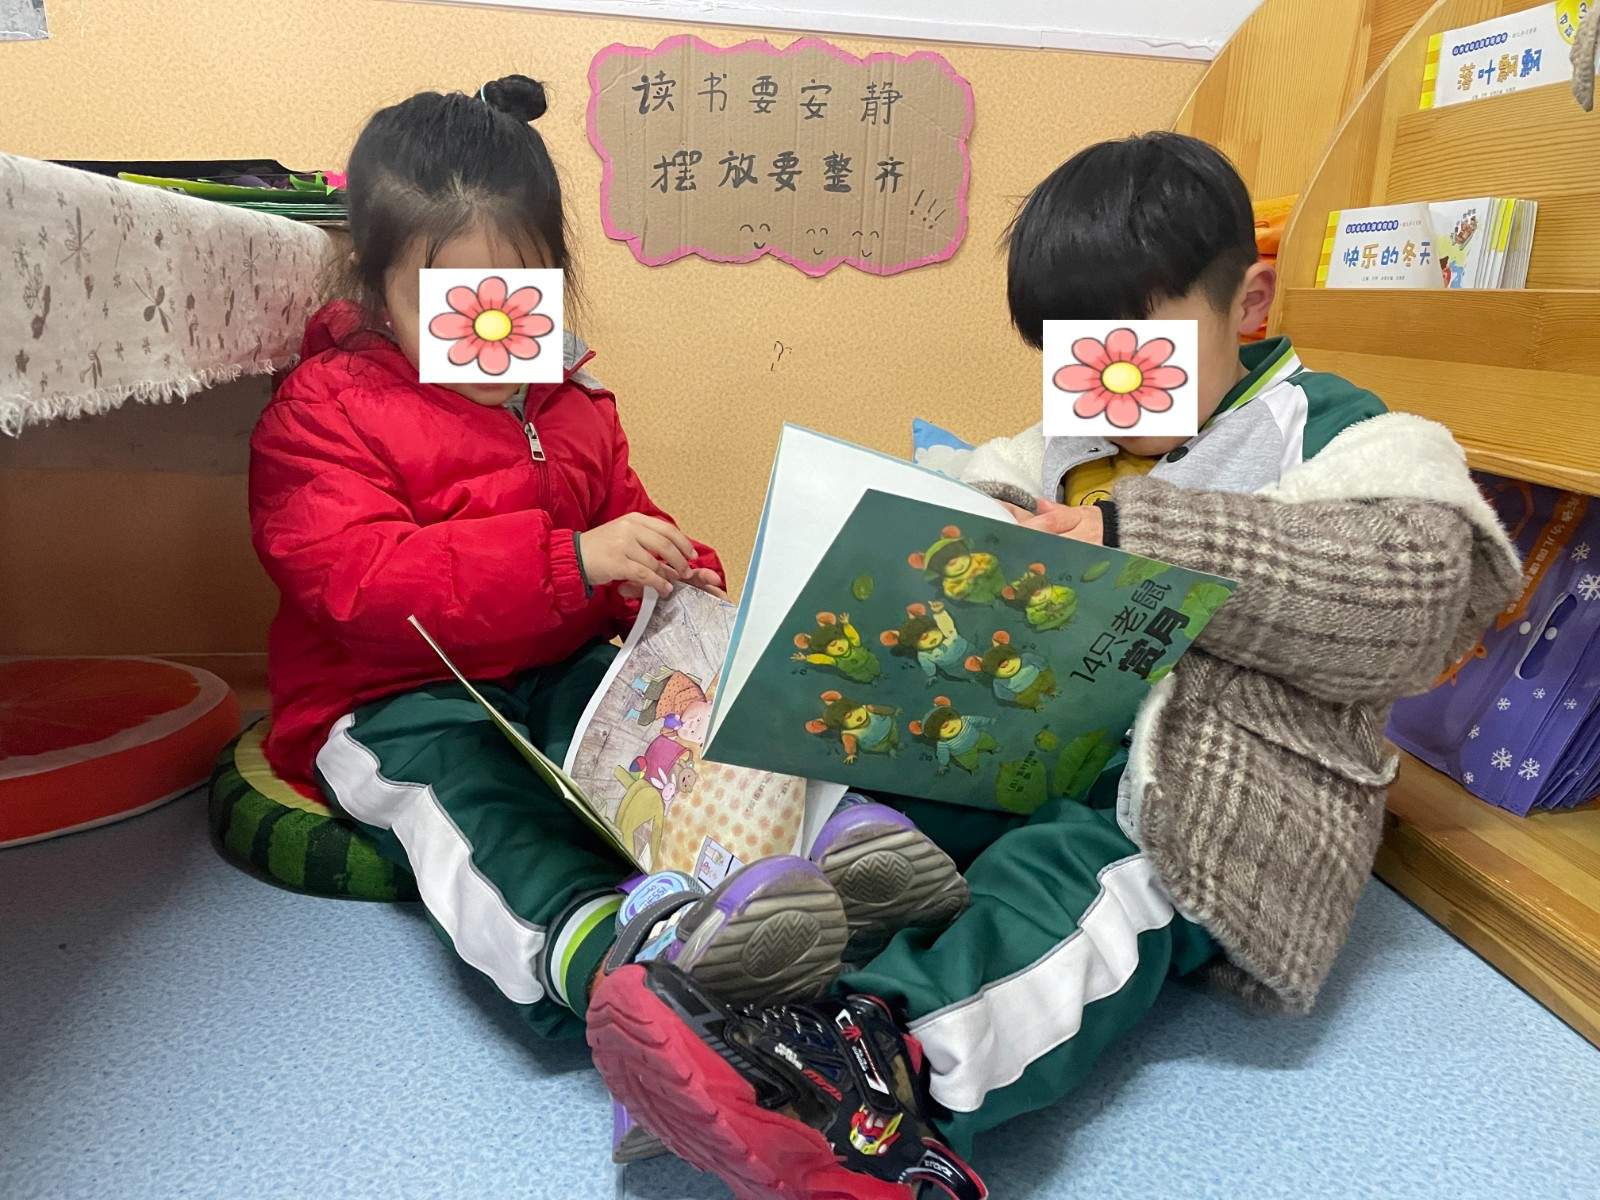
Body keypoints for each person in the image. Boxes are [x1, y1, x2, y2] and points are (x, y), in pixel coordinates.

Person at [585, 133, 1522, 1199]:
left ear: (1249, 306)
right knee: (867, 793)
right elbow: (956, 510)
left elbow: (1412, 593)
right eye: (1075, 356)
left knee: (1082, 877)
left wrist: (1138, 535)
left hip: (1211, 798)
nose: (1107, 382)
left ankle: (884, 1077)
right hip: (1031, 754)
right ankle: (741, 995)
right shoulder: (1056, 450)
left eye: (1138, 347)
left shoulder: (1344, 433)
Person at [248, 76, 969, 1051]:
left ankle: (832, 845)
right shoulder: (328, 405)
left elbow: (626, 517)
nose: (495, 333)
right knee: (478, 798)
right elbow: (357, 581)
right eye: (457, 308)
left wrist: (672, 570)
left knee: (687, 721)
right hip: (393, 696)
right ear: (377, 291)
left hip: (563, 667)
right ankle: (600, 950)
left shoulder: (574, 401)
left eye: (519, 301)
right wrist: (570, 561)